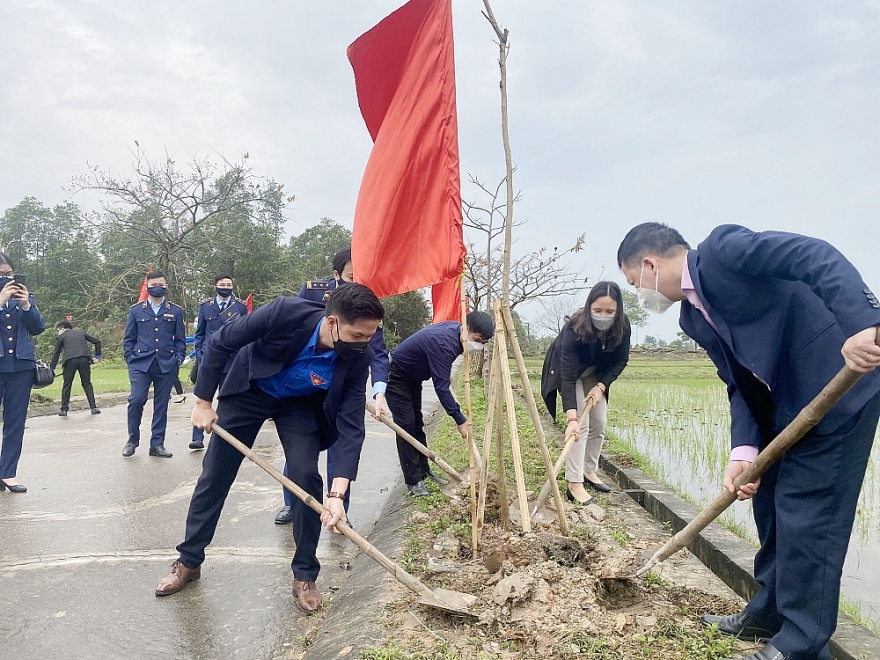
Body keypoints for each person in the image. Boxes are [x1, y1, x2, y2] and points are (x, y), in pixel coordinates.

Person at [616, 223, 880, 660]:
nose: (640, 295)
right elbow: (739, 383)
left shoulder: (724, 251)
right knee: (769, 504)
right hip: (785, 407)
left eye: (635, 283)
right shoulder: (690, 315)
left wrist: (863, 324)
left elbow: (814, 255)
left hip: (840, 387)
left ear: (649, 264)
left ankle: (800, 643)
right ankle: (767, 614)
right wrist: (744, 452)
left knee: (810, 511)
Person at [154, 284, 384, 615]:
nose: (365, 343)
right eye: (358, 335)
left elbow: (352, 425)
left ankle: (305, 574)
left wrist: (338, 492)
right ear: (333, 322)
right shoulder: (284, 313)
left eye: (370, 336)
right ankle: (189, 560)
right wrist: (203, 403)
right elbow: (220, 343)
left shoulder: (358, 357)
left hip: (301, 404)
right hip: (251, 390)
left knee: (306, 477)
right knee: (215, 475)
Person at [274, 247, 389, 524]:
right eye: (350, 275)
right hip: (308, 388)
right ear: (336, 274)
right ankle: (293, 502)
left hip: (344, 386)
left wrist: (379, 390)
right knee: (301, 447)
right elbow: (296, 330)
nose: (355, 281)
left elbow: (376, 349)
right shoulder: (314, 292)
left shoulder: (366, 302)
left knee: (342, 446)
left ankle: (339, 508)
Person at [386, 310, 494, 497]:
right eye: (477, 339)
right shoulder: (445, 342)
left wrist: (442, 372)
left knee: (417, 423)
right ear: (466, 329)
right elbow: (441, 389)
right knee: (406, 427)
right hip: (395, 376)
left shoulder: (456, 334)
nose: (478, 345)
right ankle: (413, 481)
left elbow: (439, 368)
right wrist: (460, 420)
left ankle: (424, 470)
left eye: (483, 343)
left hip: (412, 377)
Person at [541, 281, 631, 505]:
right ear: (589, 306)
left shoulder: (622, 326)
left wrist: (601, 386)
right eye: (598, 310)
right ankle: (574, 483)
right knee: (580, 427)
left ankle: (589, 471)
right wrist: (571, 418)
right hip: (568, 372)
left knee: (599, 423)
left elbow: (621, 360)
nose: (603, 315)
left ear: (618, 311)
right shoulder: (575, 328)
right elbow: (568, 377)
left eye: (610, 311)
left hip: (595, 375)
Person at [121, 270, 186, 458]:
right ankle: (132, 440)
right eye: (154, 284)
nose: (158, 287)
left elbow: (180, 339)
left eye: (161, 284)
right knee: (136, 400)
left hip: (166, 364)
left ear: (166, 286)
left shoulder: (175, 311)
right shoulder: (136, 310)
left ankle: (157, 444)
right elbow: (129, 338)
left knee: (161, 405)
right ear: (147, 286)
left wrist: (178, 358)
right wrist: (130, 358)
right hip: (140, 364)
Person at [0, 254, 46, 493]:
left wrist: (27, 305)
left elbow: (38, 328)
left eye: (9, 274)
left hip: (21, 368)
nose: (6, 279)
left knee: (15, 422)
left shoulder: (25, 298)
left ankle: (8, 473)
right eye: (1, 275)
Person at [188, 273, 249, 450]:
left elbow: (246, 333)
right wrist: (199, 353)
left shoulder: (240, 307)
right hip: (208, 360)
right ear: (215, 286)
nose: (226, 287)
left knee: (226, 401)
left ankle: (223, 437)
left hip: (231, 361)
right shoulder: (206, 307)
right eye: (223, 284)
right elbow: (200, 334)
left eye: (229, 284)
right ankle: (197, 438)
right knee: (202, 399)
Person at [50, 321, 102, 416]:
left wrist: (51, 369)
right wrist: (97, 356)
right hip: (84, 359)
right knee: (87, 383)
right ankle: (93, 407)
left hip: (69, 361)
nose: (58, 332)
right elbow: (97, 342)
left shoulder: (62, 336)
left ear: (62, 329)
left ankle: (64, 410)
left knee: (67, 385)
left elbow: (56, 353)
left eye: (58, 330)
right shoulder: (81, 333)